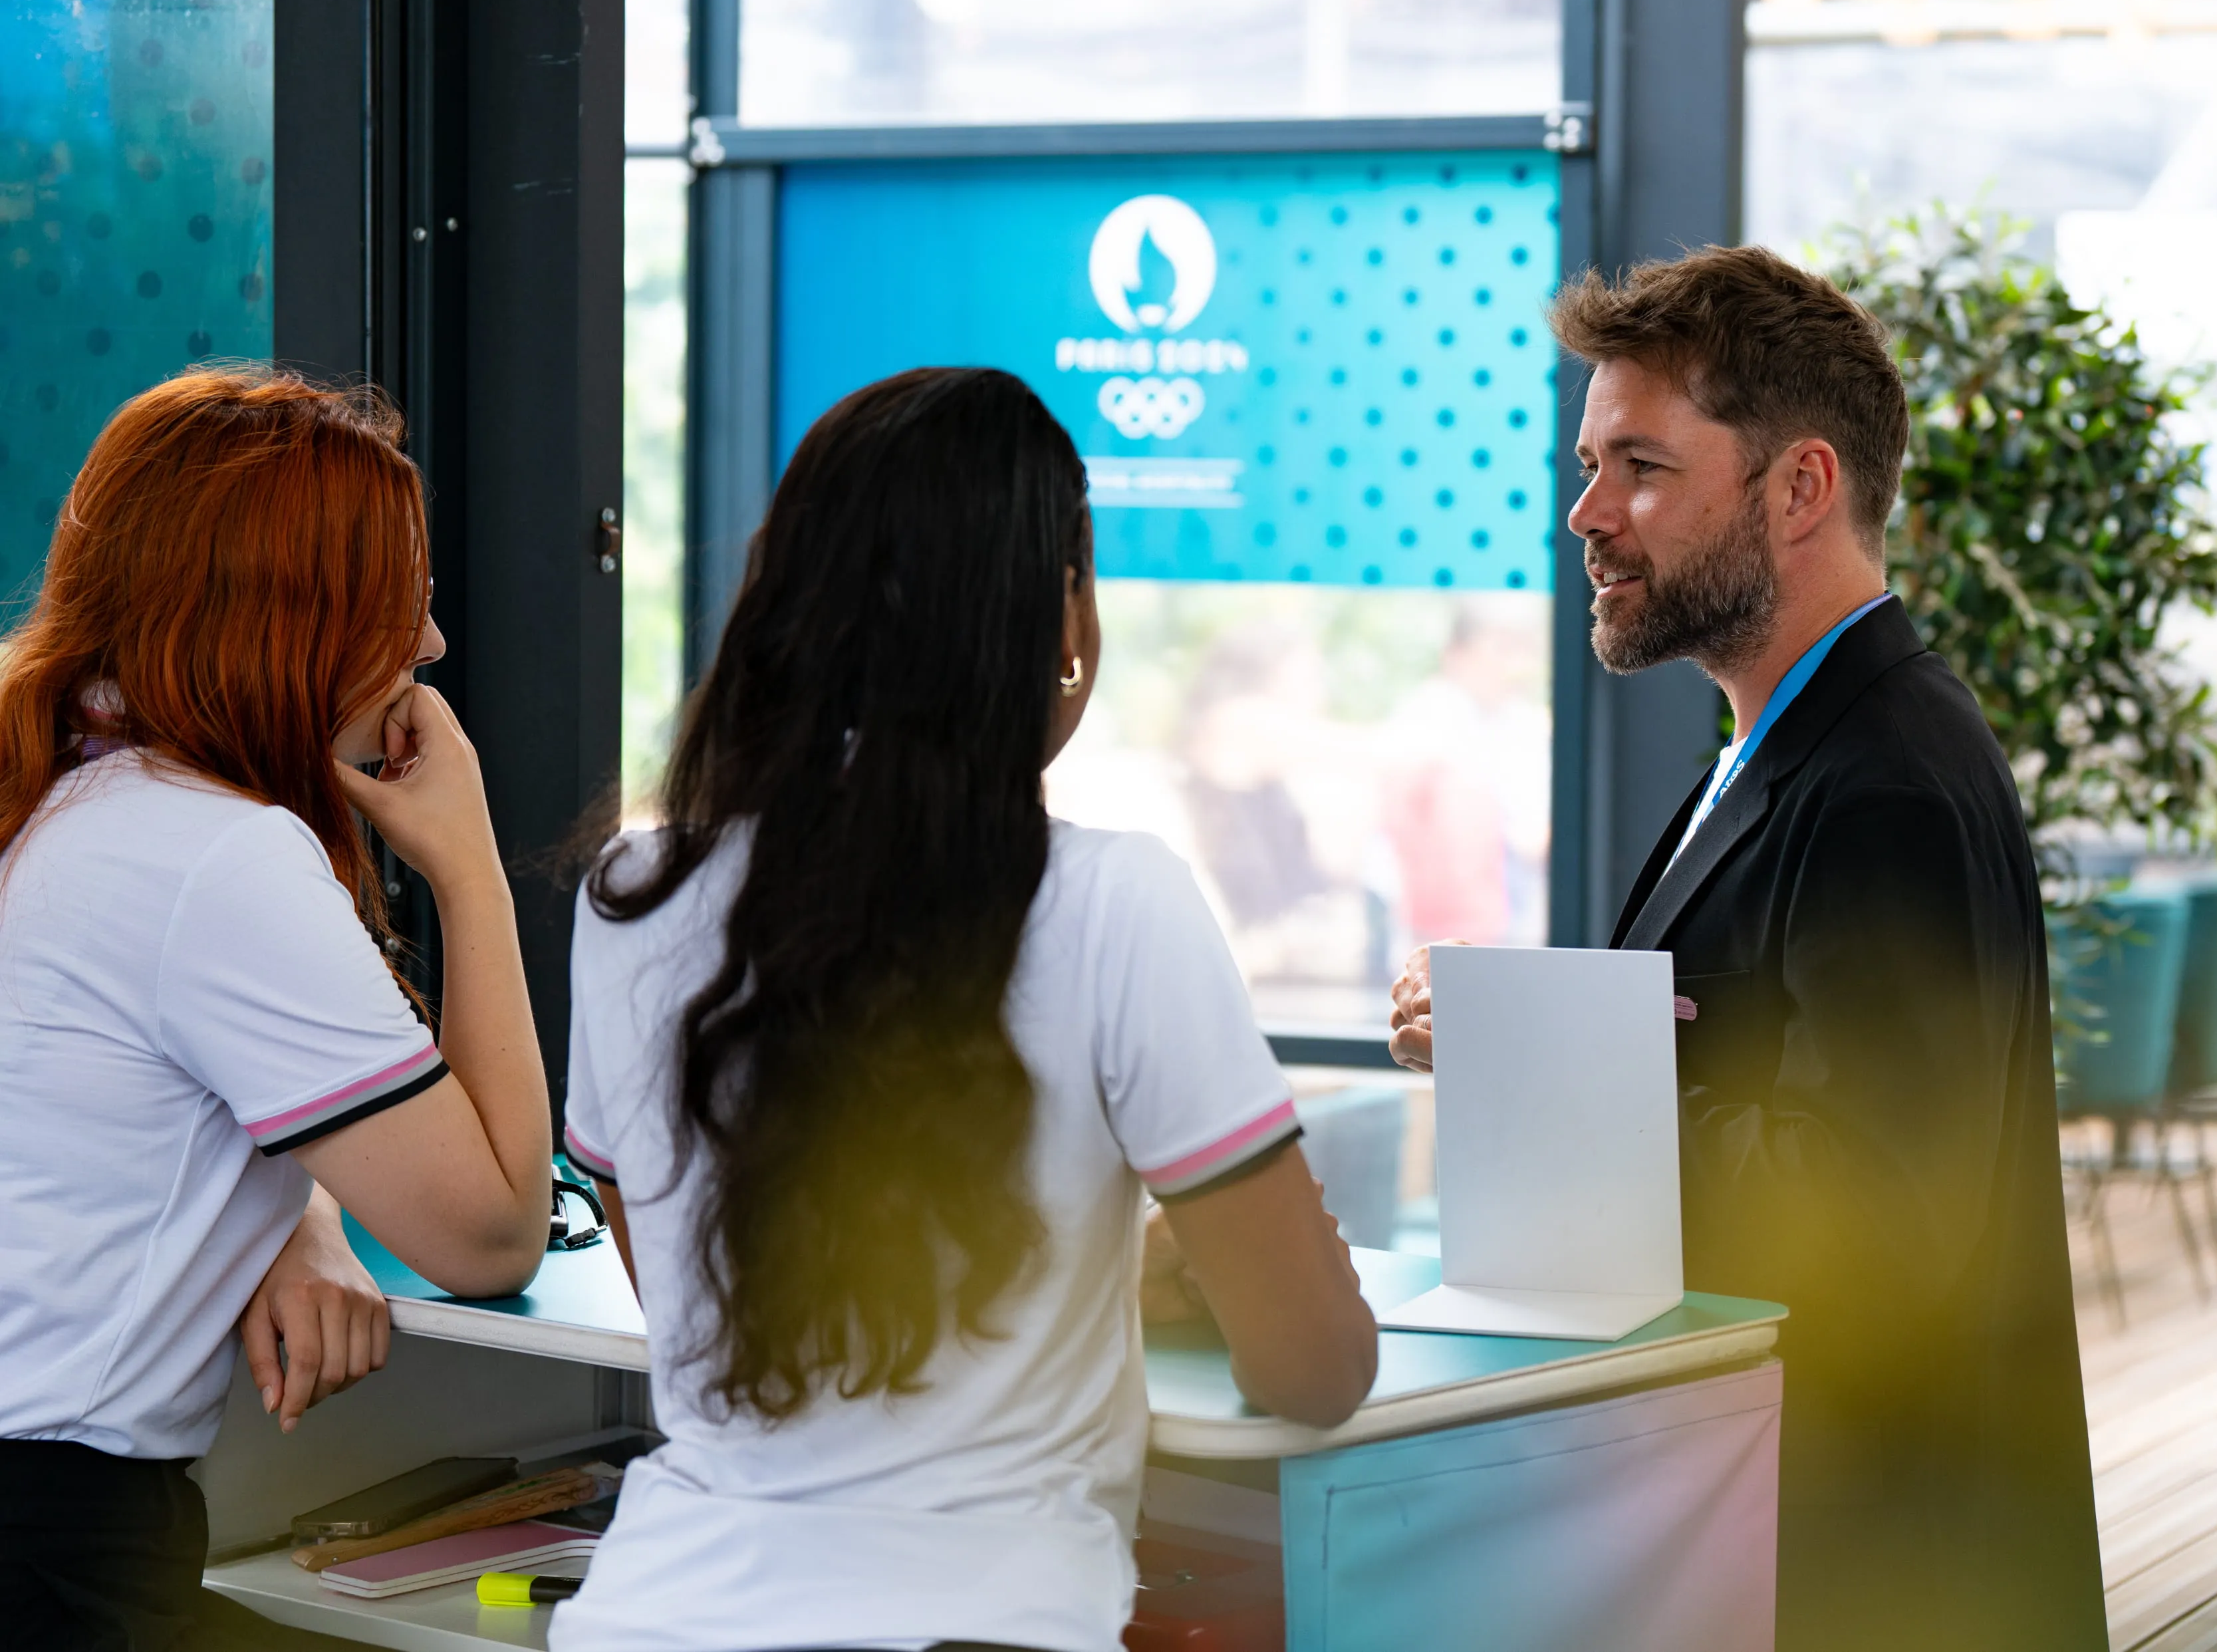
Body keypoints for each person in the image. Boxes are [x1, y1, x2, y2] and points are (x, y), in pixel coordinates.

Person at [556, 367, 1377, 1652]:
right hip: (991, 1620)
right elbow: (1319, 1371)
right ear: (1055, 611)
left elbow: (690, 1289)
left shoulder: (632, 899)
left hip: (659, 1616)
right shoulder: (1116, 901)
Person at [1388, 247, 2105, 1651]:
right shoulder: (1780, 746)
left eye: (1640, 467)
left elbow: (1883, 1217)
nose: (1587, 514)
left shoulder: (1886, 777)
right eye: (1588, 464)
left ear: (1798, 489)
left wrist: (1539, 1077)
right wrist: (1526, 1030)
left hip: (1865, 1578)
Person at [0, 370, 559, 1648]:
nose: (428, 647)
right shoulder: (213, 855)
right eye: (402, 602)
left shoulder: (59, 789)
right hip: (49, 1540)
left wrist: (297, 1209)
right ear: (294, 619)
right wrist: (470, 872)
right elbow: (489, 1232)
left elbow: (131, 1096)